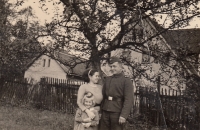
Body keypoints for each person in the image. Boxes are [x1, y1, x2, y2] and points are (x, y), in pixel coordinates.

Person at [100, 56, 134, 130]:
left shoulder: (126, 80)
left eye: (114, 66)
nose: (112, 68)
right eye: (111, 66)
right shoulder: (108, 79)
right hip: (105, 110)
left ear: (120, 67)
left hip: (117, 112)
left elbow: (129, 99)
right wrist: (100, 111)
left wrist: (123, 115)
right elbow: (103, 96)